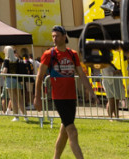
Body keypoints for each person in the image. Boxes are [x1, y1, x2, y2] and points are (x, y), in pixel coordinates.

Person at [35, 25, 93, 159]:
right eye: (53, 36)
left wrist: (90, 91)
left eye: (57, 36)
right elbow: (40, 76)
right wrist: (37, 97)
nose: (54, 39)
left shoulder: (73, 54)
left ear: (64, 37)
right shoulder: (49, 54)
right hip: (59, 98)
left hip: (71, 97)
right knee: (72, 131)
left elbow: (81, 74)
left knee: (64, 131)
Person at [2, 46, 27, 120]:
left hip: (9, 80)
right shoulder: (17, 59)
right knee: (20, 99)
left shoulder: (6, 60)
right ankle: (25, 116)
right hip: (17, 79)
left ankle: (16, 117)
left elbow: (5, 70)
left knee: (13, 99)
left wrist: (2, 74)